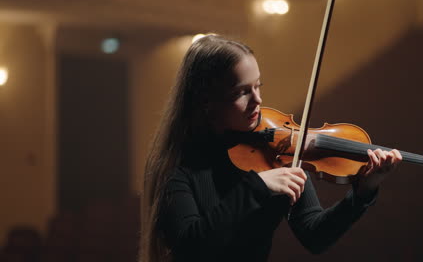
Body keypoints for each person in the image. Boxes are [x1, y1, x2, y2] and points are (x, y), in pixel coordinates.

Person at [138, 35, 402, 262]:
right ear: (206, 101)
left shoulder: (276, 151)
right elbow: (191, 247)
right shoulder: (178, 167)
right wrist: (257, 187)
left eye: (258, 86)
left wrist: (362, 193)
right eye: (242, 92)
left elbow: (315, 236)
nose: (258, 100)